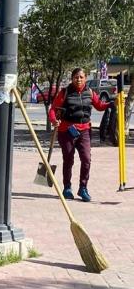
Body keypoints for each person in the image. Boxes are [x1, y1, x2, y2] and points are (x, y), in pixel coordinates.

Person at [49, 68, 111, 202]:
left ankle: (83, 188)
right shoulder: (65, 92)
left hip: (84, 131)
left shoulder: (89, 92)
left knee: (86, 159)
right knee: (68, 160)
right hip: (67, 130)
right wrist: (54, 120)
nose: (79, 79)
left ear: (85, 78)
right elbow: (53, 109)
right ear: (72, 78)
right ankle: (67, 187)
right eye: (76, 77)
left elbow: (99, 105)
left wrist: (111, 104)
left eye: (81, 77)